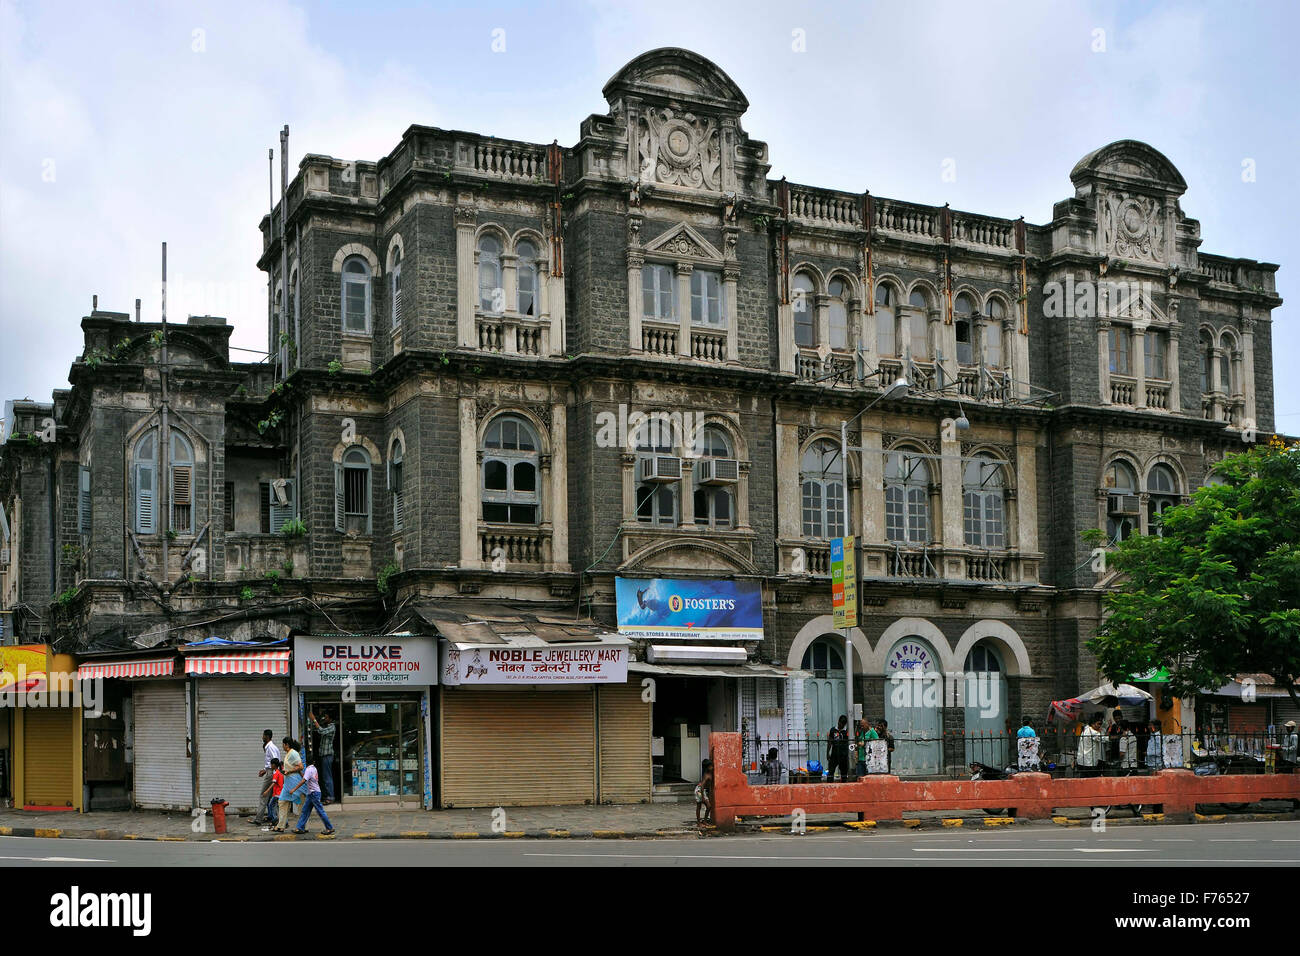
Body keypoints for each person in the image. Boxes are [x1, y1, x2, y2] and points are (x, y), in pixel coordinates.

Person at [289, 758, 336, 835]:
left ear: (306, 763)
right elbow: (305, 777)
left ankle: (329, 828)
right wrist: (299, 772)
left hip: (314, 794)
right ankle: (300, 827)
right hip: (312, 793)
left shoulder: (309, 769)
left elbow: (304, 780)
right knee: (305, 810)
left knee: (320, 811)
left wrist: (294, 789)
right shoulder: (313, 769)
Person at [276, 737, 304, 832]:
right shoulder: (288, 754)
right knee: (282, 802)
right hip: (288, 784)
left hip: (295, 782)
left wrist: (289, 771)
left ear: (286, 745)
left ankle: (304, 826)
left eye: (283, 744)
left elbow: (300, 766)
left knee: (300, 805)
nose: (282, 746)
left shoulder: (293, 753)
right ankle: (281, 825)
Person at [309, 711, 336, 804]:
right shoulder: (328, 726)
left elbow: (321, 731)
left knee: (327, 777)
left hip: (327, 756)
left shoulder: (332, 727)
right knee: (325, 777)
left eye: (326, 717)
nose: (325, 719)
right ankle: (327, 796)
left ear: (331, 719)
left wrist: (314, 719)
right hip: (324, 756)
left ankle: (330, 797)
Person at [255, 730, 281, 824]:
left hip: (271, 774)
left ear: (267, 736)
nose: (262, 737)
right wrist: (265, 770)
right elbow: (272, 763)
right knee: (270, 797)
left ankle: (258, 819)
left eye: (263, 735)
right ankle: (271, 816)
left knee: (263, 795)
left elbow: (275, 761)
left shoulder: (270, 748)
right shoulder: (269, 747)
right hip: (271, 772)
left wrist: (272, 774)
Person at [826, 715, 850, 782]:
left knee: (844, 773)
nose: (840, 725)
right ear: (838, 721)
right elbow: (830, 742)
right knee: (831, 771)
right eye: (840, 723)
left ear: (844, 724)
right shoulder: (833, 730)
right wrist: (827, 753)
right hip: (834, 754)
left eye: (842, 724)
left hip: (843, 755)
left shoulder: (846, 732)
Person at [694, 759, 714, 827]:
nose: (712, 767)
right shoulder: (706, 775)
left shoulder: (710, 773)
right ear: (707, 767)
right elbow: (702, 786)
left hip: (703, 790)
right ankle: (699, 822)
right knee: (702, 806)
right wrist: (703, 797)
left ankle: (704, 821)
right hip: (700, 790)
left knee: (708, 807)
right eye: (711, 766)